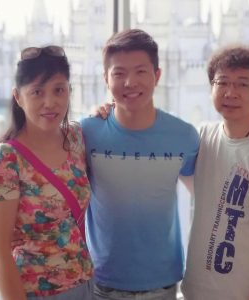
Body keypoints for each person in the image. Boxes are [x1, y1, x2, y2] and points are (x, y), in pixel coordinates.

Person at [80, 29, 200, 300]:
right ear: (105, 79)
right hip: (100, 283)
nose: (130, 82)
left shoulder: (183, 135)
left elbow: (206, 199)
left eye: (141, 71)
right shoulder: (86, 133)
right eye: (119, 73)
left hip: (162, 283)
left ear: (157, 75)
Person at [181, 45, 249, 300]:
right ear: (211, 90)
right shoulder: (203, 138)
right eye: (223, 82)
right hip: (194, 292)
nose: (231, 92)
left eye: (243, 84)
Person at [0, 46, 93, 300]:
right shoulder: (6, 160)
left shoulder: (76, 139)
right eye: (37, 92)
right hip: (35, 292)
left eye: (59, 90)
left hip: (87, 285)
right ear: (18, 97)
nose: (50, 102)